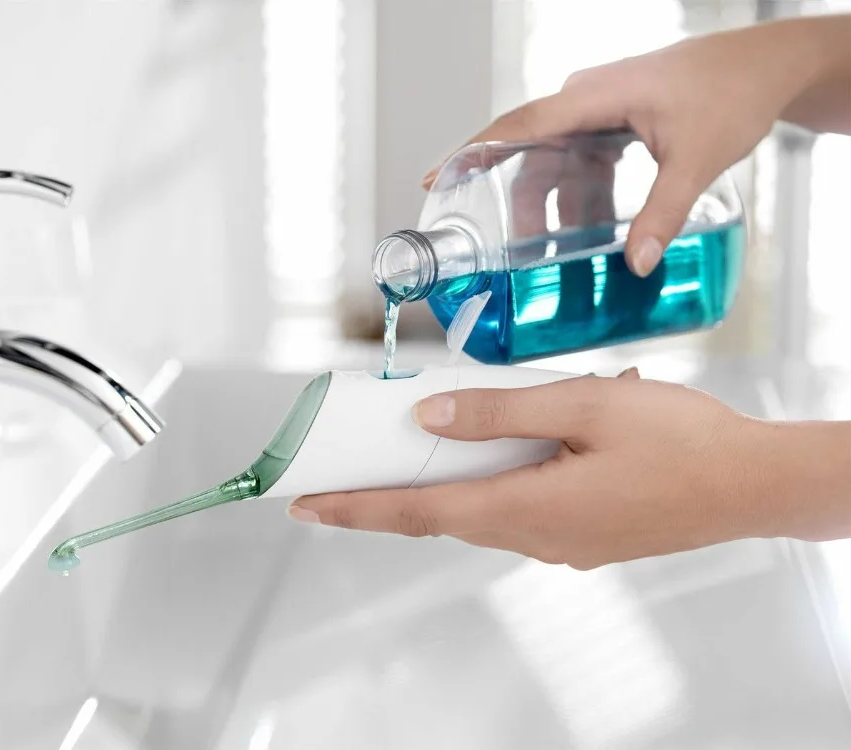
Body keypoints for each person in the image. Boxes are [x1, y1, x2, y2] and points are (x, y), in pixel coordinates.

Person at [285, 14, 851, 570]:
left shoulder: (480, 291)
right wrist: (791, 56)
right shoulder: (467, 304)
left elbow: (745, 476)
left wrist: (747, 476)